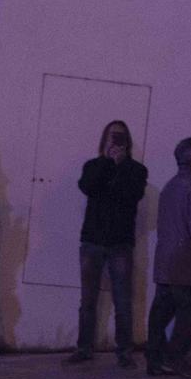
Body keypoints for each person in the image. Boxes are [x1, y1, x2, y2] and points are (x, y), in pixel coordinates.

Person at [72, 120, 147, 365]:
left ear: (128, 142)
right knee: (88, 300)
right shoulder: (93, 165)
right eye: (112, 137)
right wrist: (106, 162)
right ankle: (84, 348)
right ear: (104, 140)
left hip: (120, 243)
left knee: (123, 300)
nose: (116, 142)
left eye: (121, 138)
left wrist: (120, 165)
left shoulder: (136, 170)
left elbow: (132, 196)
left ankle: (124, 352)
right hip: (92, 239)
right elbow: (88, 187)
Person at [144, 137, 191, 379]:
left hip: (166, 262)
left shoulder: (170, 186)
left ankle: (154, 359)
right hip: (189, 266)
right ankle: (178, 359)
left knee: (160, 315)